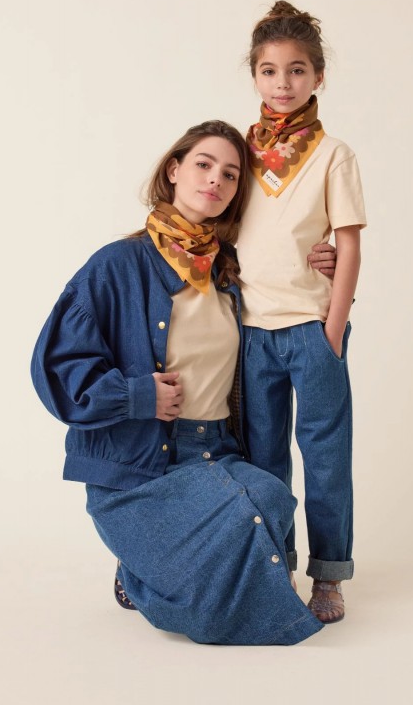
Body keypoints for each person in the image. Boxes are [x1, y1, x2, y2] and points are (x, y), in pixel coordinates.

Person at [31, 120, 325, 645]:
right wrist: (136, 396)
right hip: (142, 467)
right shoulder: (117, 265)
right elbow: (56, 367)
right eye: (204, 164)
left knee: (274, 500)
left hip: (217, 452)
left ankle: (152, 567)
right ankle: (144, 576)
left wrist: (323, 264)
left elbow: (289, 294)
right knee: (239, 535)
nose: (216, 180)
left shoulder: (232, 270)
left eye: (230, 175)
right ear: (173, 170)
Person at [238, 1, 367, 624]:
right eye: (269, 71)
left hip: (311, 331)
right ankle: (276, 567)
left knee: (325, 460)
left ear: (318, 76)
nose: (282, 83)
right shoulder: (238, 153)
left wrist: (332, 330)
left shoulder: (333, 154)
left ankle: (330, 575)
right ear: (254, 76)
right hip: (249, 332)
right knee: (263, 461)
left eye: (296, 70)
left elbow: (349, 245)